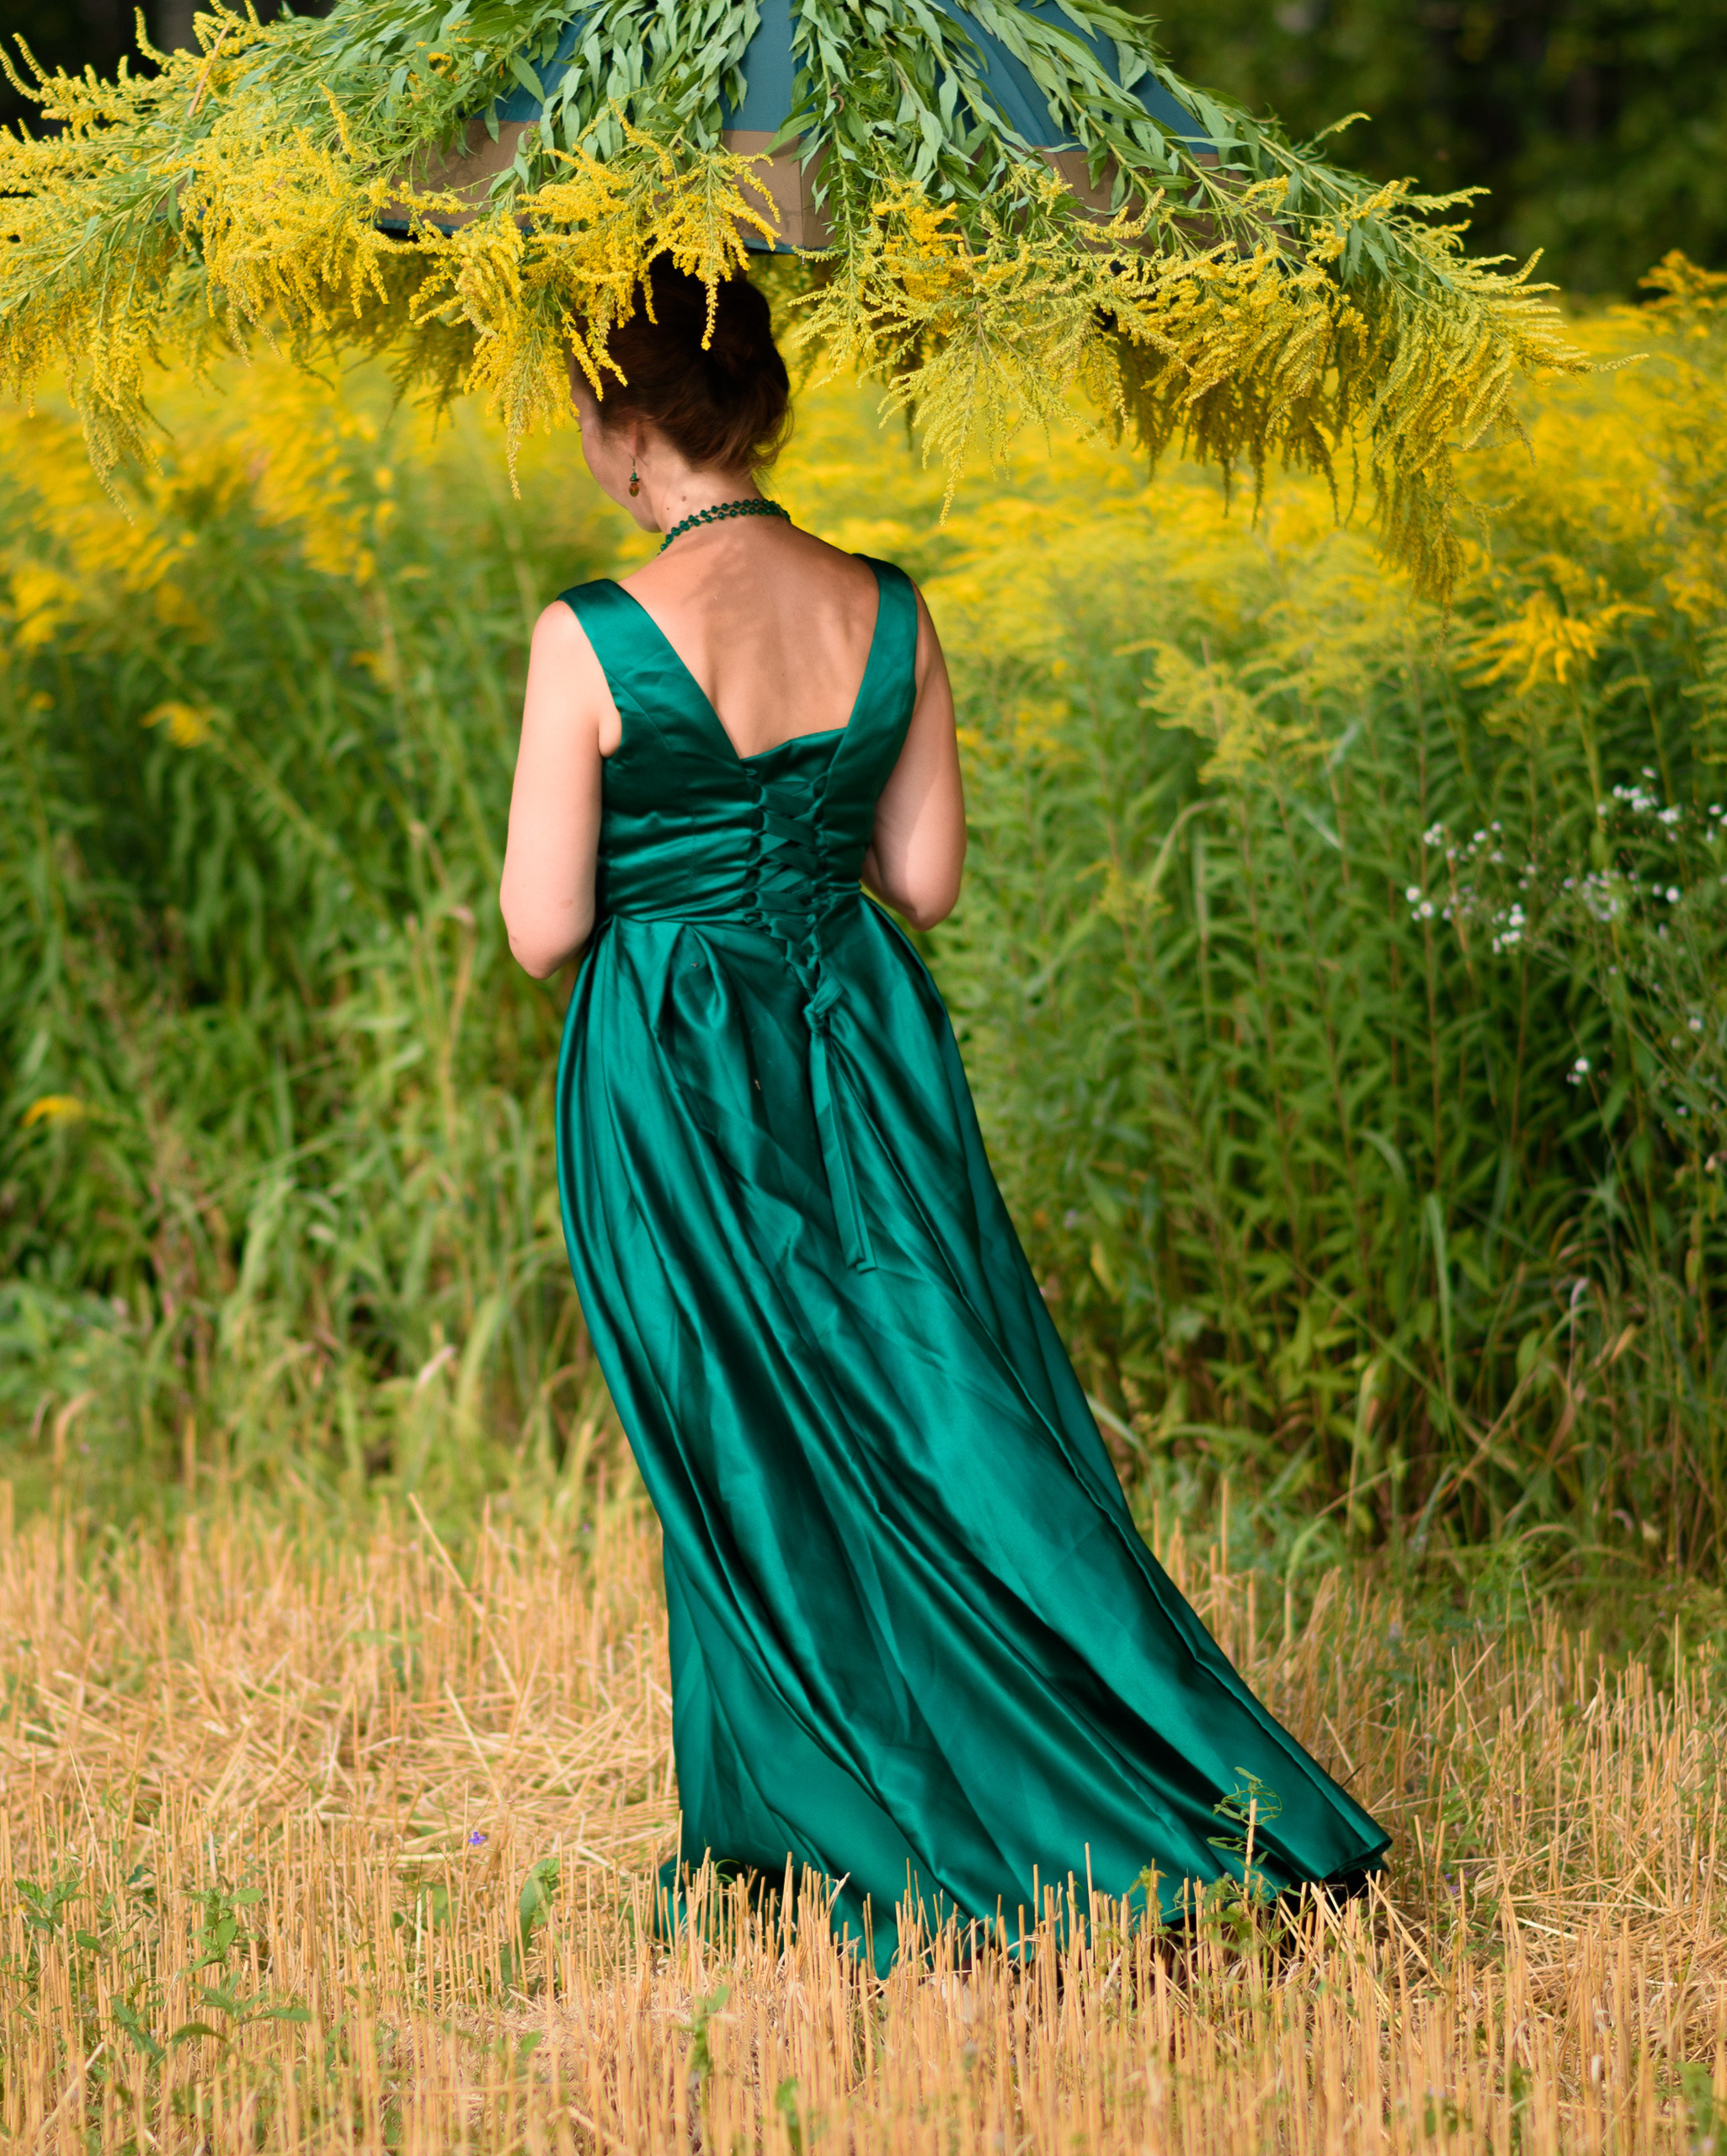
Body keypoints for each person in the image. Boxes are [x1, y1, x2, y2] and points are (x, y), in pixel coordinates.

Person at [499, 257, 1387, 1970]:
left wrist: (672, 871)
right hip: (859, 1044)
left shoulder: (585, 634)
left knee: (741, 1443)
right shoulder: (887, 611)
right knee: (940, 1398)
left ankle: (837, 1819)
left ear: (621, 428)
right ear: (760, 407)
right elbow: (922, 881)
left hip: (675, 1073)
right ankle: (1116, 1779)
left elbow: (543, 927)